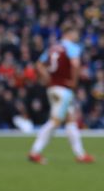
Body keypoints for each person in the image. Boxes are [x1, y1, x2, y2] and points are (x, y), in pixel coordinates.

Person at [28, 23, 94, 164]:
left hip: (53, 88)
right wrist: (74, 82)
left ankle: (80, 154)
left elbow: (39, 64)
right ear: (69, 33)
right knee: (55, 121)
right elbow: (75, 65)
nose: (77, 36)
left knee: (71, 120)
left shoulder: (53, 47)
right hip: (64, 89)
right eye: (75, 33)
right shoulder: (72, 47)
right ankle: (34, 151)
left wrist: (46, 78)